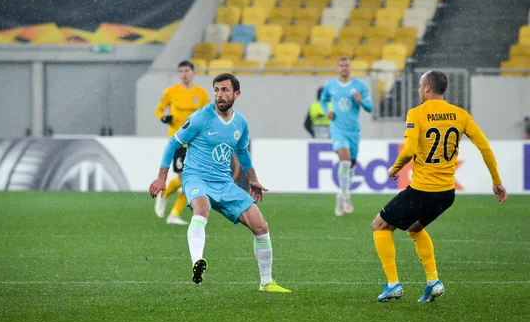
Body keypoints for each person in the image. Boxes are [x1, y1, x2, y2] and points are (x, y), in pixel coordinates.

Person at [372, 70, 507, 303]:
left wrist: (395, 168)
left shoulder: (417, 113)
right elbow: (485, 147)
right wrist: (496, 181)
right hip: (446, 194)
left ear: (426, 88)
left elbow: (409, 150)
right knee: (414, 228)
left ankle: (393, 284)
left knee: (380, 225)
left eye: (419, 86)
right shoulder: (460, 114)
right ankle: (433, 281)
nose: (418, 90)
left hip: (423, 190)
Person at [149, 73, 290, 293]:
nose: (219, 95)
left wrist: (253, 180)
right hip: (196, 177)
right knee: (202, 208)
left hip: (223, 182)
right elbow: (173, 143)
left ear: (237, 93)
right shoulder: (200, 118)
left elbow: (242, 151)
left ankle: (266, 282)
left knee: (261, 225)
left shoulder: (240, 123)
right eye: (216, 90)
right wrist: (161, 177)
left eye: (224, 90)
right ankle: (197, 261)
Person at [154, 60, 210, 225]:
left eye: (187, 70)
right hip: (178, 141)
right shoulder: (171, 91)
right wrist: (163, 117)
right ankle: (163, 195)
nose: (184, 74)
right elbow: (159, 109)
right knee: (185, 178)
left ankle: (174, 214)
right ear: (179, 74)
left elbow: (206, 114)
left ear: (193, 73)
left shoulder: (201, 93)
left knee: (192, 180)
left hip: (196, 143)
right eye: (181, 71)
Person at [320, 57, 373, 216]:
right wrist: (327, 111)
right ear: (338, 68)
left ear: (350, 68)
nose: (344, 68)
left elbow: (370, 108)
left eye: (346, 66)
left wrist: (361, 101)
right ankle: (345, 195)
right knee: (345, 161)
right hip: (337, 129)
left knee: (351, 166)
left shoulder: (359, 86)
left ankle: (341, 194)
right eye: (341, 65)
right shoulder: (330, 86)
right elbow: (323, 101)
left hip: (353, 131)